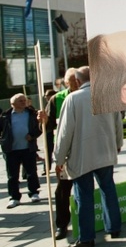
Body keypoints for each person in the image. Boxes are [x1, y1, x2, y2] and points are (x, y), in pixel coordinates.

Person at [53, 66, 124, 246]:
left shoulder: (73, 99)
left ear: (77, 81)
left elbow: (64, 133)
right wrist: (117, 144)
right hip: (104, 151)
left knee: (83, 195)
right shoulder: (106, 95)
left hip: (82, 154)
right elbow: (118, 123)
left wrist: (59, 159)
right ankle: (114, 227)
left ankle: (86, 238)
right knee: (108, 188)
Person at [45, 68, 80, 240]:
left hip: (85, 149)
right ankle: (62, 225)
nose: (76, 83)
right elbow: (46, 128)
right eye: (72, 81)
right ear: (66, 83)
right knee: (62, 191)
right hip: (66, 154)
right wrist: (42, 121)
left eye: (78, 80)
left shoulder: (88, 95)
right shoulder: (56, 99)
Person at [0, 93, 43, 209]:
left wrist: (32, 135)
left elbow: (39, 128)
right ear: (12, 104)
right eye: (20, 101)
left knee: (31, 171)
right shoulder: (5, 116)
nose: (24, 102)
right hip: (11, 149)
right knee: (12, 175)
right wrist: (3, 140)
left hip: (28, 148)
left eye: (24, 100)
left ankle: (34, 192)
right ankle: (14, 197)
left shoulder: (31, 114)